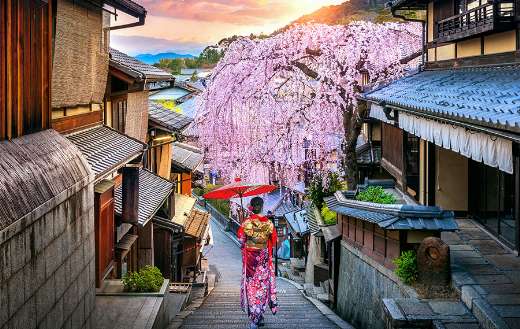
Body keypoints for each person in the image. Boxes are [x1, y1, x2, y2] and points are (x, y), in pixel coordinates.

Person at [237, 197, 278, 329]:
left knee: (252, 287)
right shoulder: (269, 223)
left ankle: (255, 318)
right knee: (263, 286)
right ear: (262, 206)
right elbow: (274, 240)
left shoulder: (247, 222)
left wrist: (245, 241)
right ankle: (260, 315)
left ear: (252, 206)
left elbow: (241, 240)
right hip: (263, 258)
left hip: (250, 259)